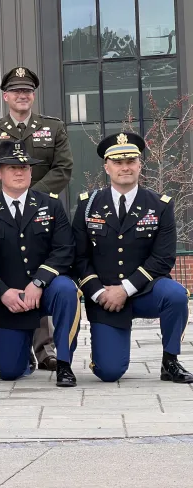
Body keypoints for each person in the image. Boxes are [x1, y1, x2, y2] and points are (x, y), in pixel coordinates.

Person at [0, 66, 73, 372]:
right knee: (9, 371)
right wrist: (4, 196)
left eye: (27, 91)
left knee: (45, 277)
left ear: (34, 95)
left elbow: (63, 168)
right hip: (4, 213)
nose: (22, 95)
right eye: (16, 91)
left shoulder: (53, 127)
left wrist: (32, 198)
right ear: (6, 96)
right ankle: (20, 348)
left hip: (44, 214)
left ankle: (47, 350)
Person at [72, 132, 193, 383]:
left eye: (130, 161)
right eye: (117, 162)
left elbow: (163, 258)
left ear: (140, 165)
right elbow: (79, 257)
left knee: (176, 295)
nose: (125, 167)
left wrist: (125, 289)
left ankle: (170, 360)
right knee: (109, 372)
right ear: (106, 167)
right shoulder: (88, 205)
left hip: (145, 292)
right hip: (104, 297)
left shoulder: (160, 205)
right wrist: (97, 292)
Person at [0, 140, 80, 387]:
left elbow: (64, 249)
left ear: (32, 172)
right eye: (12, 167)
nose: (19, 172)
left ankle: (64, 363)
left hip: (47, 289)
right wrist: (2, 293)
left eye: (25, 166)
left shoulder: (51, 205)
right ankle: (24, 356)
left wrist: (40, 281)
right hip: (11, 298)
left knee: (67, 290)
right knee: (10, 372)